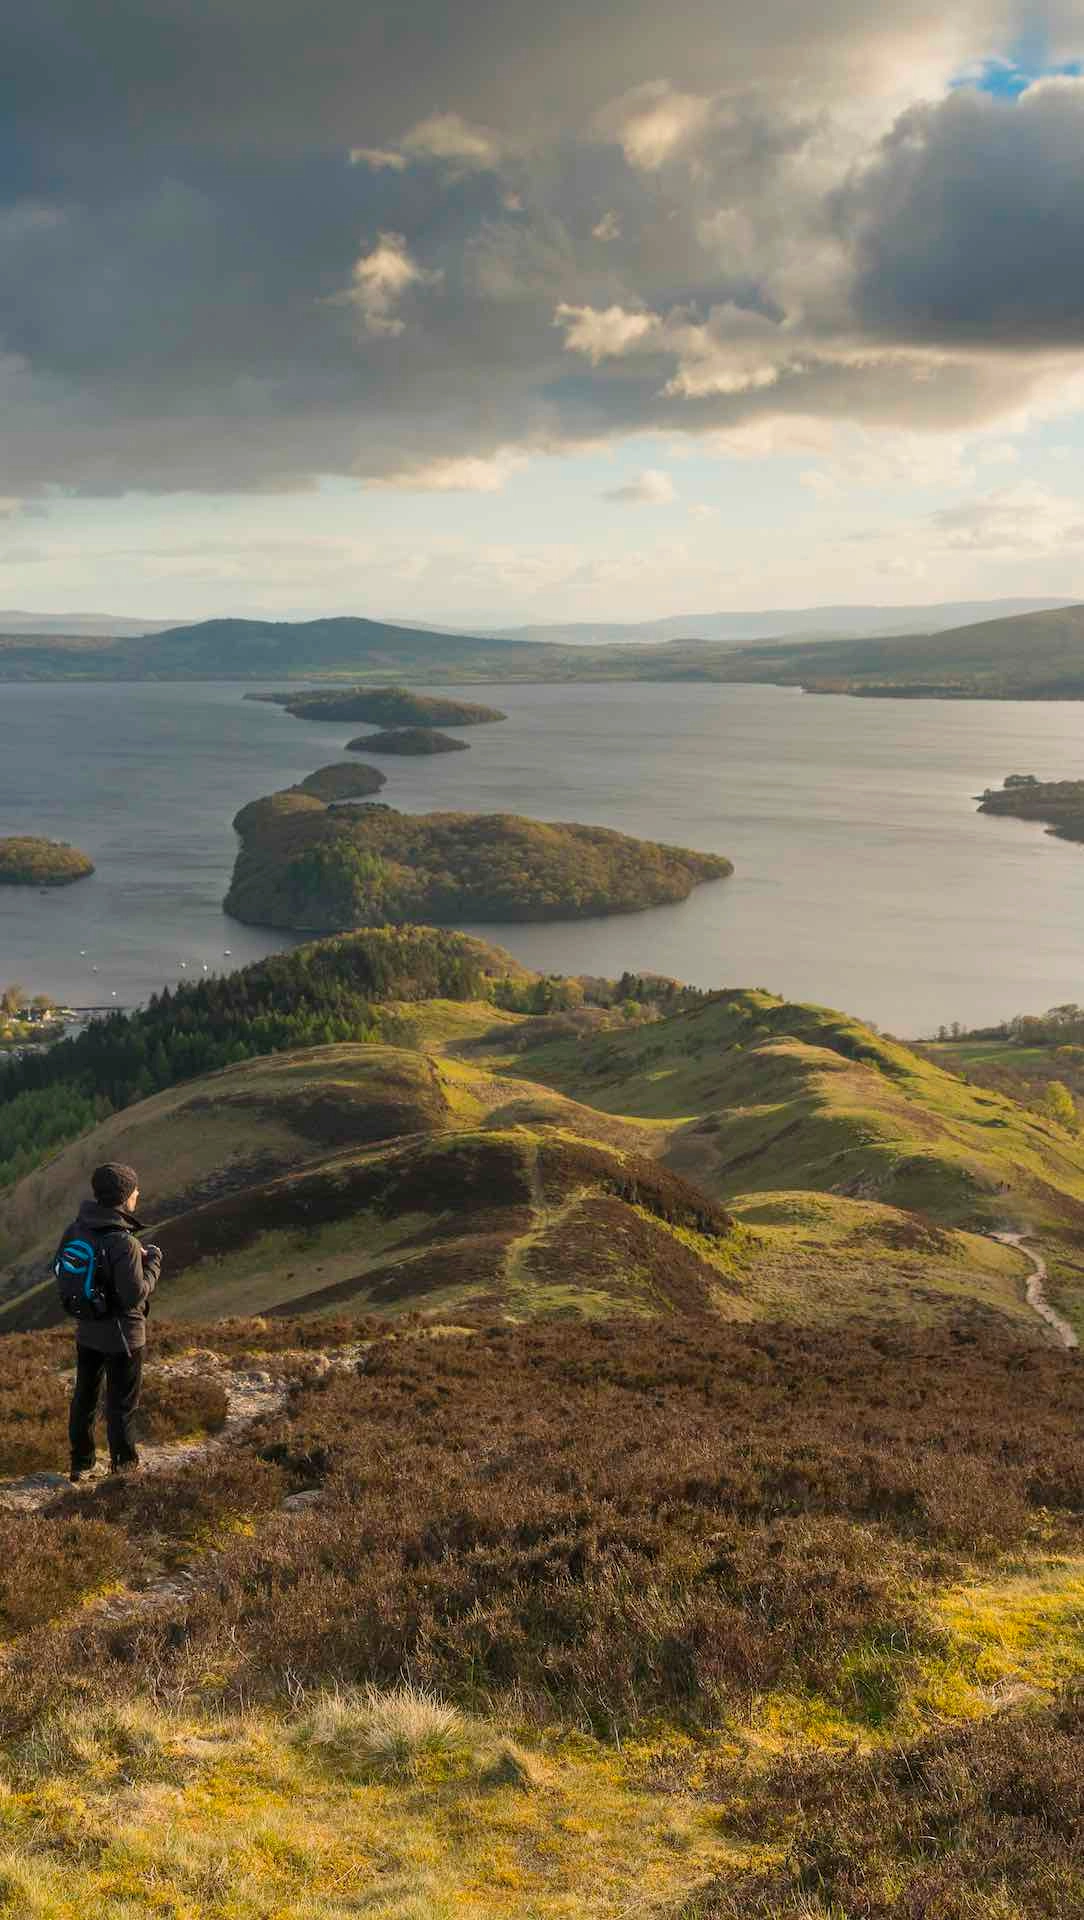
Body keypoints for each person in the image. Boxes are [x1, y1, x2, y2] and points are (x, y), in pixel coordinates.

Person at [64, 1162, 162, 1482]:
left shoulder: (78, 1228)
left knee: (85, 1397)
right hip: (124, 1336)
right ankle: (124, 1468)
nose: (138, 1194)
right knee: (121, 1406)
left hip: (87, 1329)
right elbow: (134, 1294)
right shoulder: (123, 1241)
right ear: (124, 1197)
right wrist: (153, 1264)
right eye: (134, 1190)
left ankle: (81, 1462)